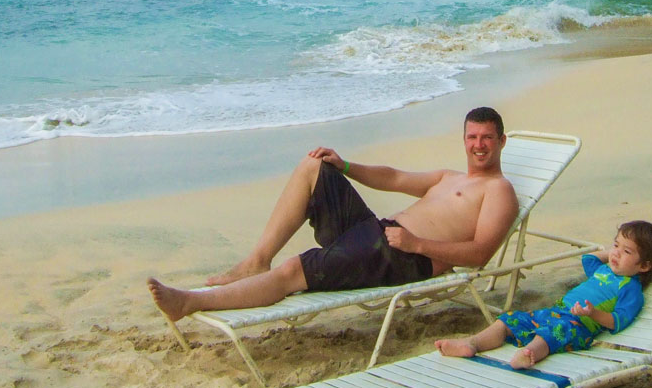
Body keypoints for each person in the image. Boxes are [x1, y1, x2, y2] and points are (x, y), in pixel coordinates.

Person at [148, 106, 518, 321]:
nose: (479, 145)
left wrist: (418, 244)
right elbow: (393, 177)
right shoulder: (448, 177)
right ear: (464, 140)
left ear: (501, 140)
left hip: (402, 256)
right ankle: (257, 260)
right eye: (472, 137)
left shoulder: (499, 191)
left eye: (487, 138)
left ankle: (190, 302)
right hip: (379, 233)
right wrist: (344, 166)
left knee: (295, 270)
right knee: (315, 167)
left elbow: (481, 253)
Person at [434, 219, 652, 369]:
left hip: (579, 325)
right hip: (555, 311)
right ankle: (472, 343)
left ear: (645, 266)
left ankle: (529, 354)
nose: (616, 253)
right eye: (615, 245)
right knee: (509, 320)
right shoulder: (605, 268)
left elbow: (618, 321)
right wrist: (613, 254)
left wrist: (594, 313)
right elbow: (587, 258)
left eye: (626, 251)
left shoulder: (630, 289)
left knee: (552, 332)